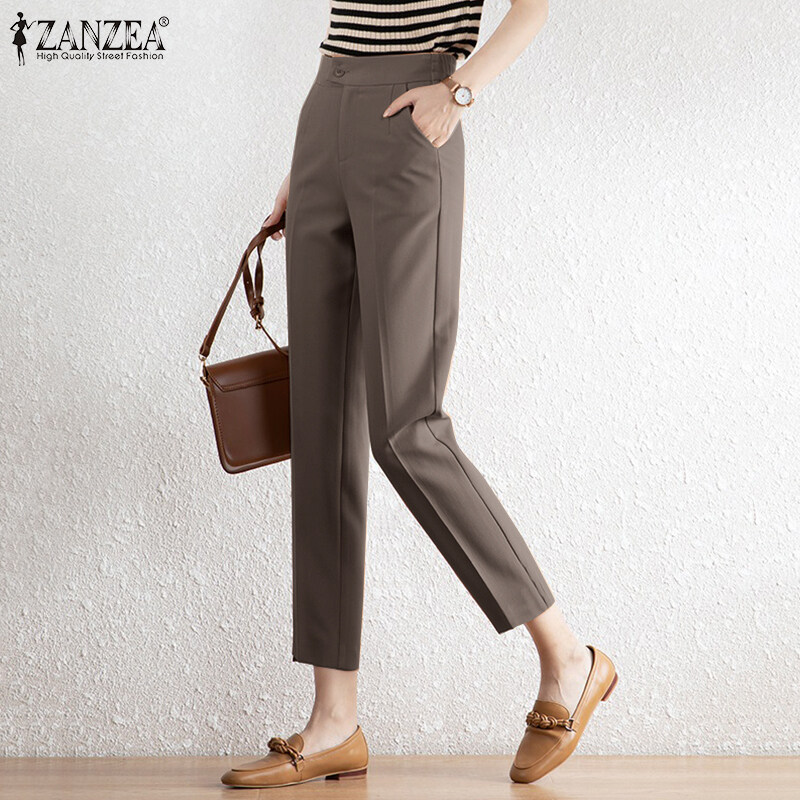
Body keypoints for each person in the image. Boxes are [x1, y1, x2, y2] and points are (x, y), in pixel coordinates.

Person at [221, 0, 617, 788]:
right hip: (325, 107)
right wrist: (311, 159)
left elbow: (534, 6)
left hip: (415, 114)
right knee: (321, 429)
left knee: (409, 429)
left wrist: (459, 90)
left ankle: (568, 656)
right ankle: (333, 720)